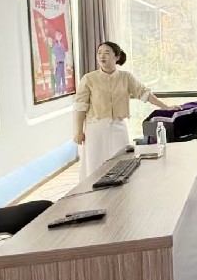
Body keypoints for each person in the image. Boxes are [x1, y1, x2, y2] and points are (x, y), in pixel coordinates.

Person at [74, 41, 173, 179]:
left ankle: (120, 188)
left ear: (116, 57)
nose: (102, 56)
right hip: (95, 128)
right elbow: (80, 107)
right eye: (99, 53)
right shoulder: (89, 79)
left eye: (106, 53)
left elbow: (144, 93)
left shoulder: (126, 77)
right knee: (94, 165)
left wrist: (165, 107)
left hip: (118, 126)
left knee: (122, 161)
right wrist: (79, 132)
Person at [52, 31, 68, 96]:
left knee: (63, 77)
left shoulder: (62, 45)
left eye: (60, 36)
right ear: (56, 37)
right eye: (58, 36)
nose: (59, 37)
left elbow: (64, 56)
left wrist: (65, 67)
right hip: (58, 64)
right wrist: (54, 68)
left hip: (63, 63)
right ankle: (57, 91)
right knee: (58, 78)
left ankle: (64, 90)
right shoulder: (55, 46)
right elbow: (53, 57)